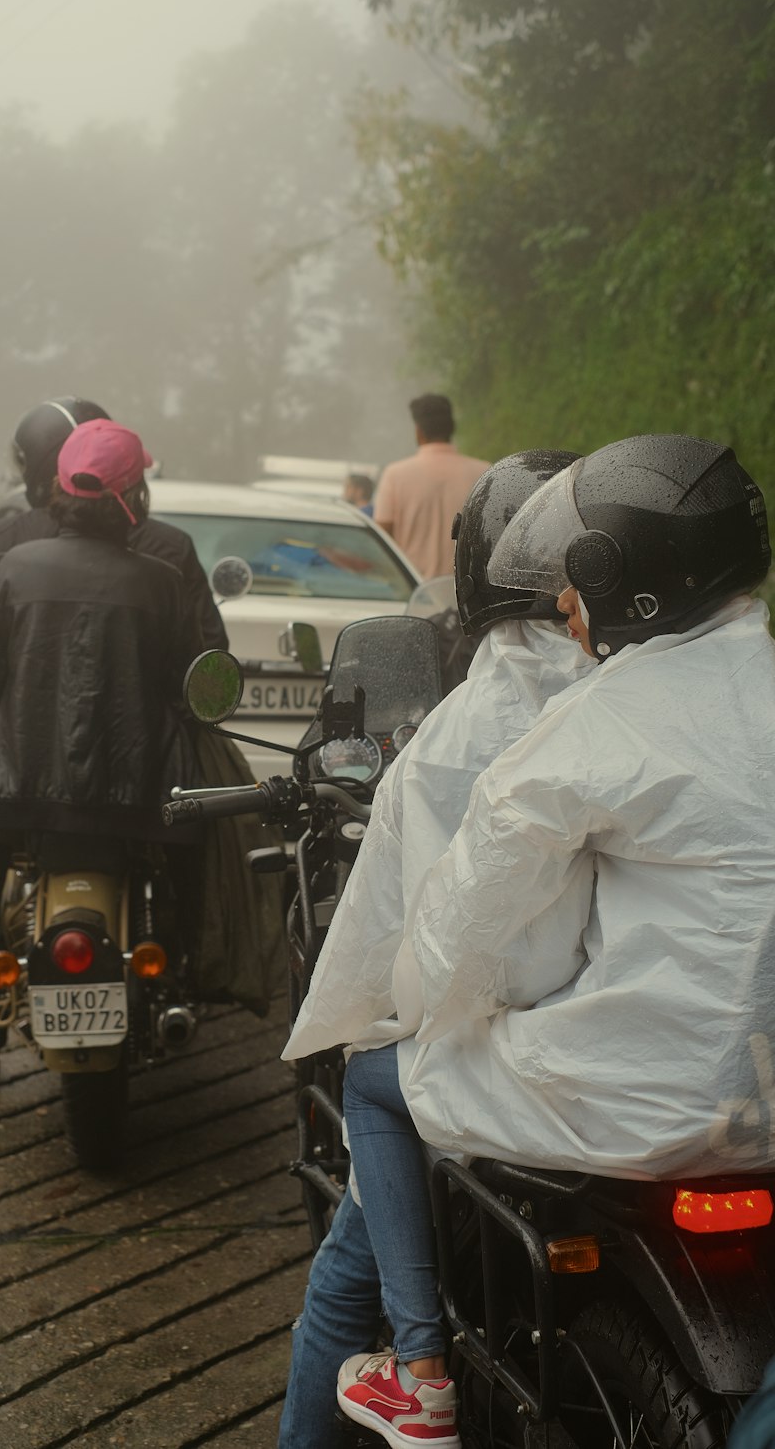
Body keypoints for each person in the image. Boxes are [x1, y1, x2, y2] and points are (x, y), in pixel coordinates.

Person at [303, 434, 775, 1448]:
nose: (565, 608)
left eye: (576, 583)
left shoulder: (592, 724)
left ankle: (418, 1369)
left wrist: (420, 1001)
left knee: (380, 1073)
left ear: (623, 583)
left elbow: (458, 929)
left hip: (656, 1099)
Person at [278, 450, 593, 1449]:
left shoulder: (464, 733)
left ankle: (418, 1366)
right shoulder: (650, 698)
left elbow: (420, 937)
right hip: (644, 1048)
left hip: (504, 1063)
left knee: (369, 1104)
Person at [0, 419, 203, 1094]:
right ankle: (190, 961)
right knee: (196, 848)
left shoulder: (10, 568)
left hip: (21, 793)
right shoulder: (161, 579)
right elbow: (189, 685)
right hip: (137, 801)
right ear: (132, 496)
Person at [0, 396, 227, 767]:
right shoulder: (169, 552)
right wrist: (168, 753)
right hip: (139, 782)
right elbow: (205, 671)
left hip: (17, 777)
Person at [374, 396, 488, 579]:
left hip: (414, 591)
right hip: (466, 595)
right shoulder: (483, 473)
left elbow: (381, 537)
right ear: (452, 429)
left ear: (419, 431)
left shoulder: (395, 475)